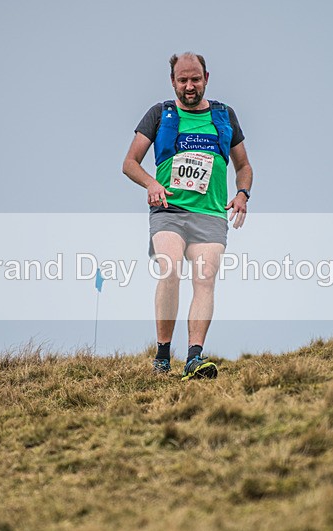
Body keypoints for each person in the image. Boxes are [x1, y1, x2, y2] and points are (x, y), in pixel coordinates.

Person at [122, 52, 253, 380]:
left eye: (195, 79)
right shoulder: (159, 114)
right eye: (183, 80)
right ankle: (162, 355)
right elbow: (130, 163)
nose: (189, 86)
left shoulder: (224, 116)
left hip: (210, 214)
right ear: (173, 82)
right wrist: (151, 183)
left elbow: (244, 166)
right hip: (169, 210)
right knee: (169, 269)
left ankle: (194, 357)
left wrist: (242, 194)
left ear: (206, 78)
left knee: (205, 280)